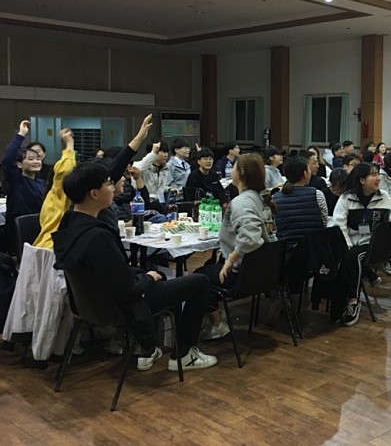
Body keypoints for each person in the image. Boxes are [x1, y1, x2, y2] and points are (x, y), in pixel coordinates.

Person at [53, 161, 218, 372]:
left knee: (154, 273)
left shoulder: (68, 226)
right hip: (119, 306)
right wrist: (149, 277)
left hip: (89, 305)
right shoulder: (97, 236)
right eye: (108, 184)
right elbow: (128, 288)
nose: (113, 187)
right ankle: (184, 355)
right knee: (200, 282)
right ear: (94, 194)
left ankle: (149, 349)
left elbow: (113, 273)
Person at [195, 153, 277, 340]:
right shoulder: (260, 198)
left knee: (199, 278)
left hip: (245, 274)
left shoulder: (242, 203)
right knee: (209, 266)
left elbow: (250, 239)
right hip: (264, 271)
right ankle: (219, 316)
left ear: (240, 172)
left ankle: (217, 325)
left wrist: (231, 259)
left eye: (233, 167)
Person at [332, 163, 391, 326]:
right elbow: (339, 223)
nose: (378, 178)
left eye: (378, 174)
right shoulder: (347, 198)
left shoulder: (383, 196)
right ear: (362, 180)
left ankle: (353, 300)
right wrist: (347, 244)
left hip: (373, 244)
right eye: (373, 175)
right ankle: (338, 300)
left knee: (353, 258)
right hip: (352, 242)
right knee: (343, 256)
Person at [2, 120, 45, 254]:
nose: (36, 161)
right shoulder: (16, 180)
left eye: (38, 159)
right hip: (17, 231)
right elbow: (7, 160)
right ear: (20, 164)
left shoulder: (42, 183)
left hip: (39, 228)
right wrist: (21, 135)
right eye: (30, 159)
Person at [274, 156, 328, 249]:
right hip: (313, 249)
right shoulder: (317, 195)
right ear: (305, 174)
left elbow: (275, 227)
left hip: (285, 250)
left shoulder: (275, 198)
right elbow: (324, 222)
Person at [134, 141, 170, 208]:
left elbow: (160, 188)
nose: (166, 155)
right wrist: (153, 153)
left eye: (167, 152)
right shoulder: (144, 167)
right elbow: (137, 168)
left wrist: (169, 189)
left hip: (161, 202)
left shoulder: (165, 169)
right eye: (163, 152)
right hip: (146, 202)